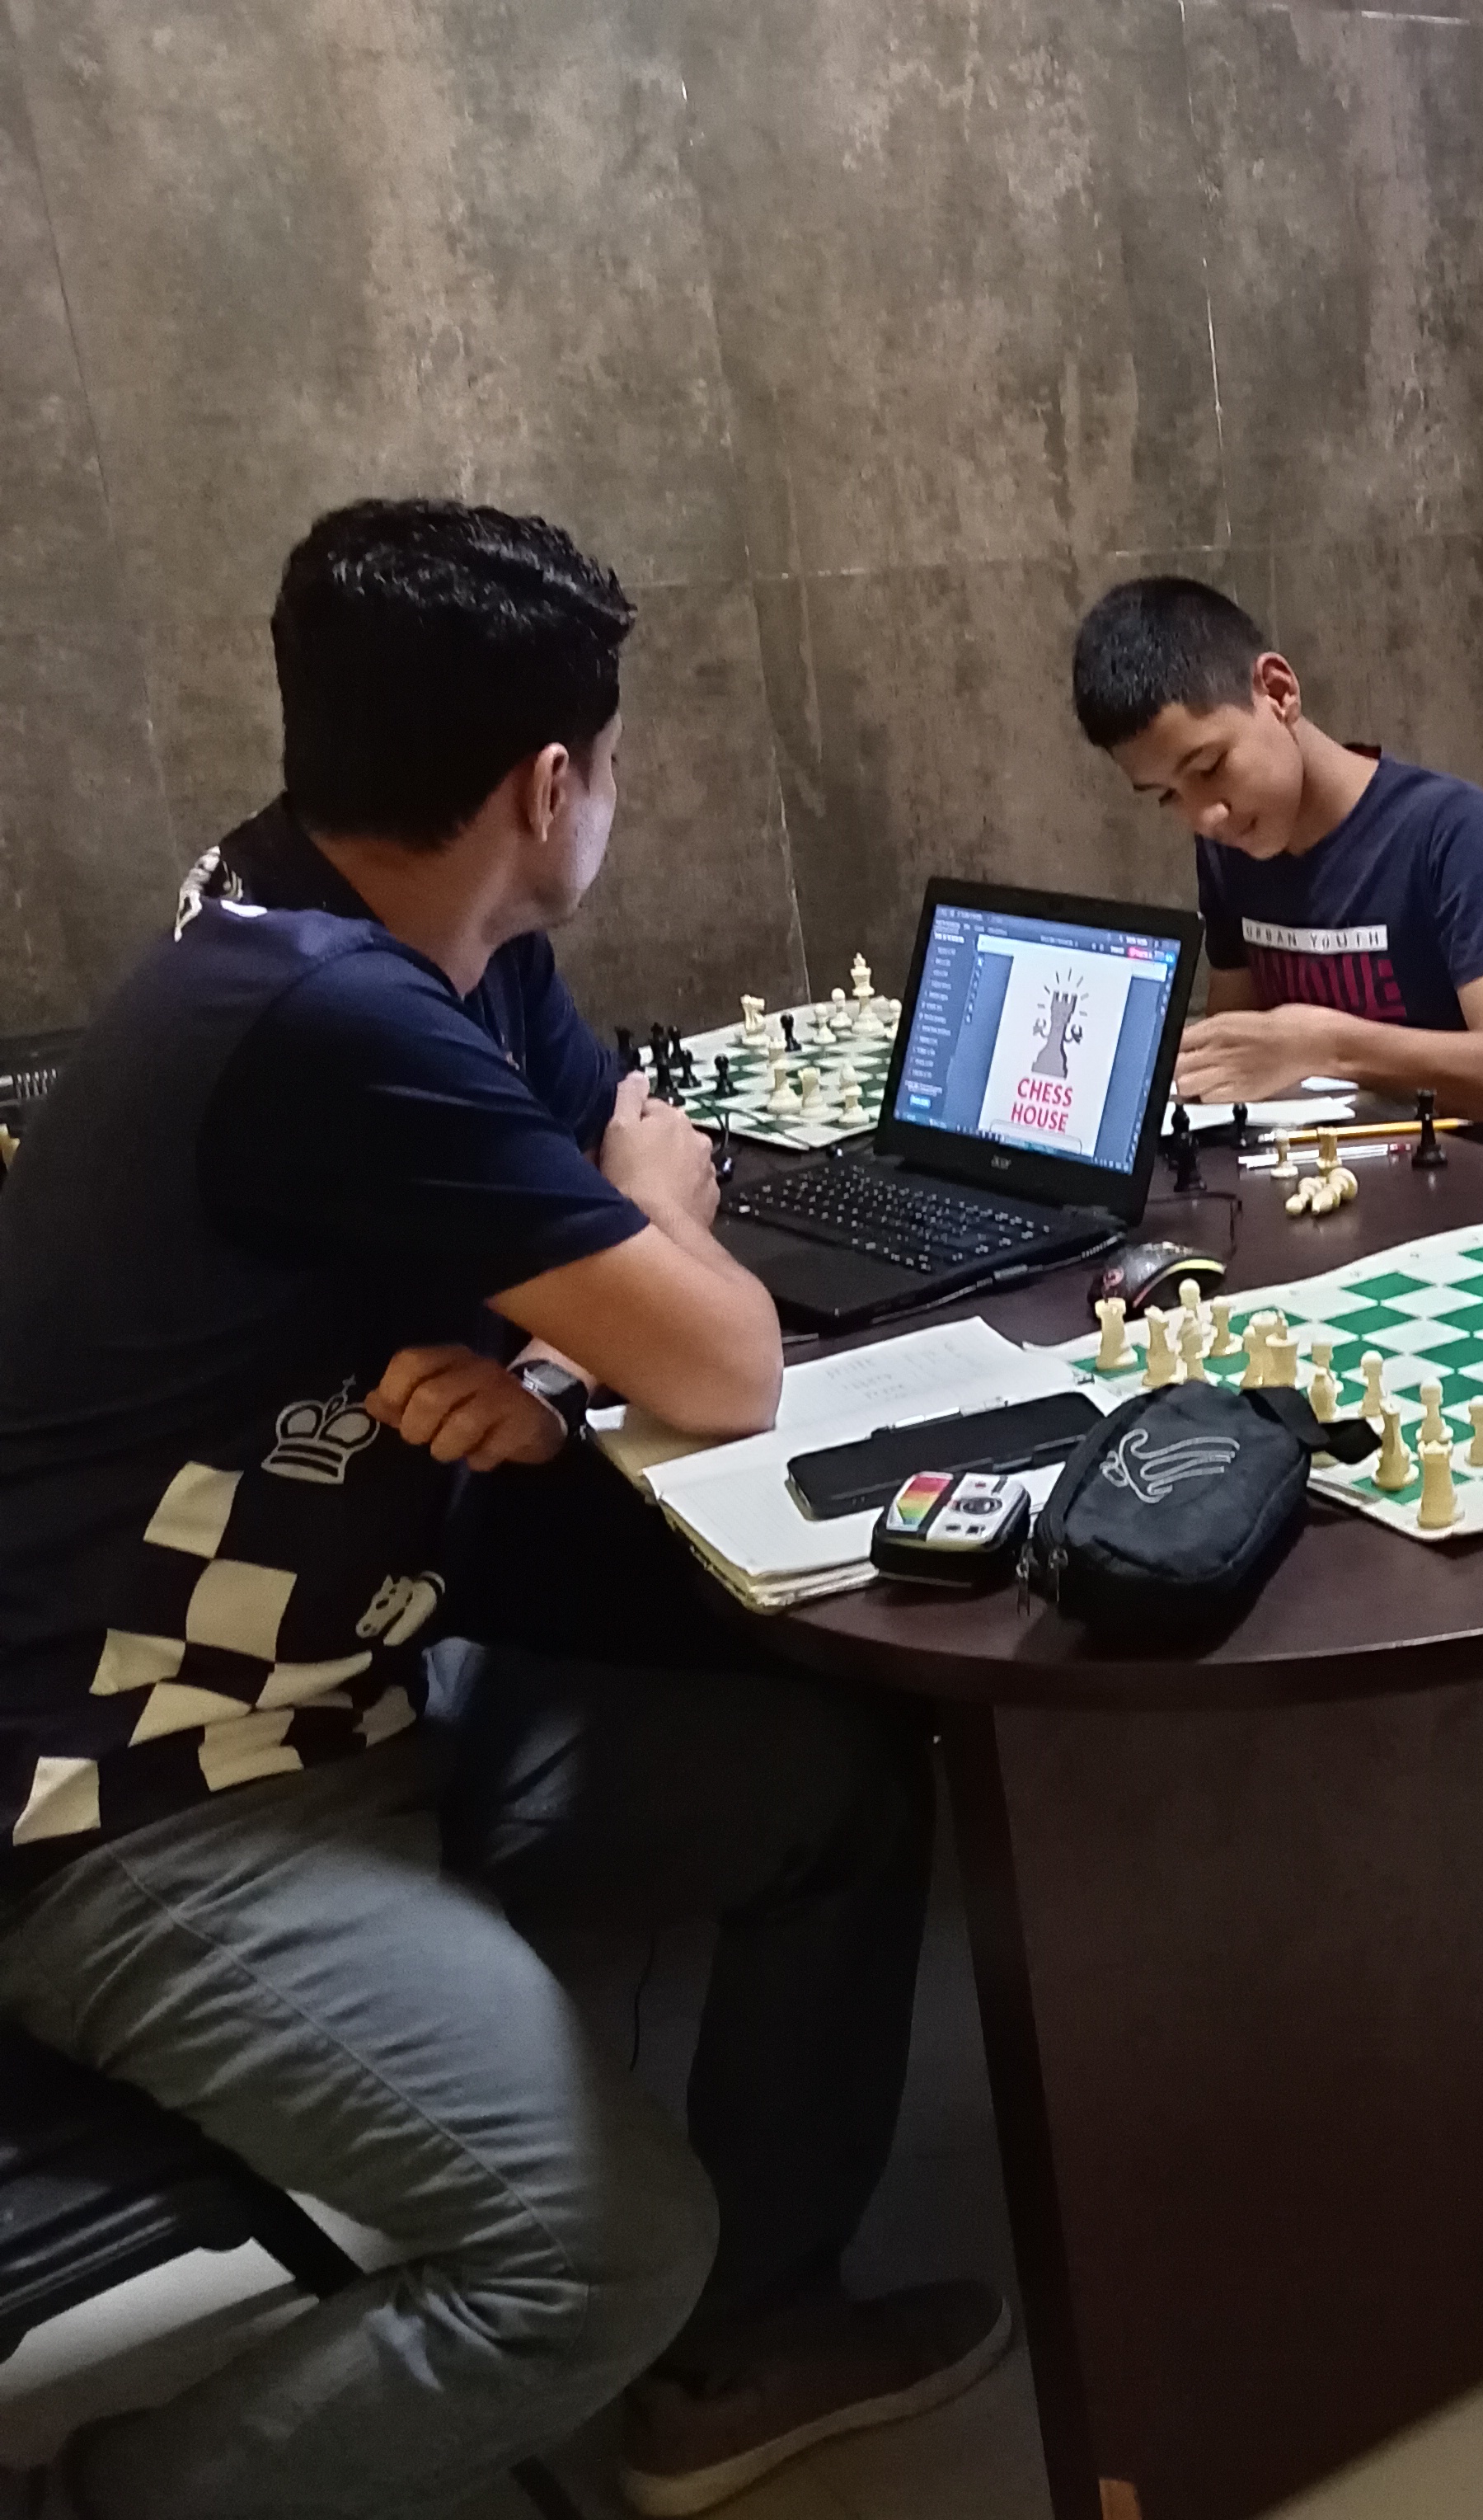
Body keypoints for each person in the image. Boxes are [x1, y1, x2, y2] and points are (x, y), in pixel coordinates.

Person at [0, 501, 1002, 2520]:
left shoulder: (398, 933)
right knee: (597, 2249)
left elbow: (567, 1227)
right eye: (610, 760)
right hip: (140, 1807)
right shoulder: (322, 1014)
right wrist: (646, 1216)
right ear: (550, 784)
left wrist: (550, 1358)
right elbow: (714, 1349)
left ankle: (750, 2350)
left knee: (828, 1781)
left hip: (358, 1698)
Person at [1070, 576, 1483, 1126]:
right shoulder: (1228, 849)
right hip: (1305, 1164)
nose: (1205, 817)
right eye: (1168, 796)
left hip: (1457, 1167)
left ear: (1278, 693)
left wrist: (1324, 1046)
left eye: (1209, 768)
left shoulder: (1445, 828)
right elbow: (1235, 1056)